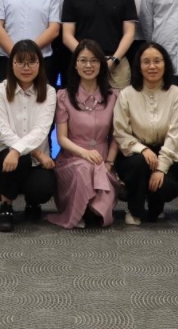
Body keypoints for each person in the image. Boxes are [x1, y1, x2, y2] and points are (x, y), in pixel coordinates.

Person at [47, 40, 120, 230]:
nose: (89, 65)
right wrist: (84, 153)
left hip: (103, 158)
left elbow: (116, 136)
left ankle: (91, 210)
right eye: (83, 60)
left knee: (96, 176)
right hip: (72, 157)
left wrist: (109, 163)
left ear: (101, 64)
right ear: (75, 65)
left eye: (94, 60)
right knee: (83, 168)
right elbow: (62, 138)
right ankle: (77, 211)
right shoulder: (63, 96)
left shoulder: (113, 97)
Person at [113, 42, 178, 225]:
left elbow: (175, 136)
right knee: (140, 163)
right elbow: (120, 132)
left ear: (165, 64)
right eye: (146, 62)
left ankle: (156, 206)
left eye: (157, 61)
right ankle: (134, 209)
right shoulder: (127, 94)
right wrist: (143, 149)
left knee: (166, 185)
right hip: (133, 154)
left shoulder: (176, 94)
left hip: (165, 151)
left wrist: (161, 168)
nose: (152, 66)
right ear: (139, 66)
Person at [0, 40, 58, 232]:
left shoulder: (50, 92)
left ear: (40, 64)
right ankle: (6, 206)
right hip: (4, 156)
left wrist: (19, 150)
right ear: (11, 64)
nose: (26, 68)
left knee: (43, 189)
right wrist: (32, 153)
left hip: (35, 161)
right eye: (20, 62)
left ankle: (32, 202)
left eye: (32, 62)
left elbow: (42, 129)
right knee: (21, 160)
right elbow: (1, 129)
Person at [62, 0, 138, 88]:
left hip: (116, 64)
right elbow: (67, 36)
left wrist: (114, 60)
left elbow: (129, 33)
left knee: (120, 102)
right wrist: (87, 59)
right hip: (84, 65)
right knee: (82, 101)